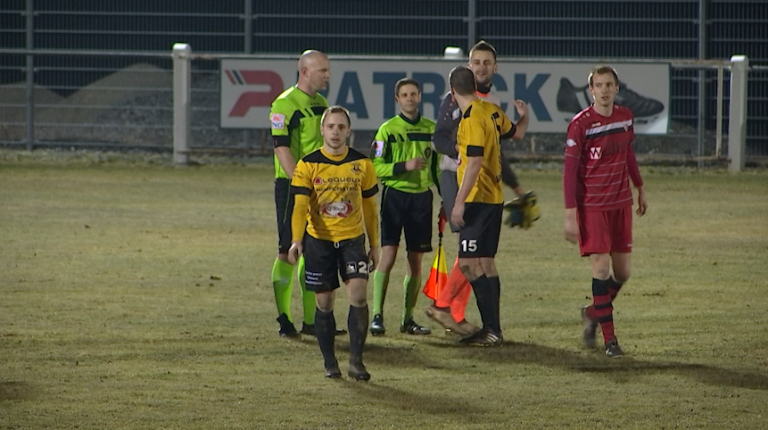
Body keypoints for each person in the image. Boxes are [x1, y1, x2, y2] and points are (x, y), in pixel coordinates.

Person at [427, 41, 530, 336]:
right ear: (473, 71)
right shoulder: (492, 110)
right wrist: (524, 115)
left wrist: (457, 203)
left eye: (487, 62)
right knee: (483, 262)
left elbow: (473, 163)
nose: (482, 67)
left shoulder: (471, 117)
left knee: (470, 262)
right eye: (477, 62)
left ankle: (449, 309)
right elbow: (516, 133)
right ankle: (488, 328)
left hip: (472, 195)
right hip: (493, 197)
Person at [288, 106, 380, 380]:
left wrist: (375, 244)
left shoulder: (362, 164)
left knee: (359, 295)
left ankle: (356, 361)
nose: (336, 132)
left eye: (341, 127)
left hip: (352, 240)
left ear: (349, 131)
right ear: (322, 130)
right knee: (325, 303)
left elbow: (371, 209)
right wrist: (296, 240)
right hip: (320, 242)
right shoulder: (308, 164)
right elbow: (299, 206)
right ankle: (330, 361)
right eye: (331, 127)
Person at [563, 65, 648, 358]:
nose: (604, 89)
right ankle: (610, 341)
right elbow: (570, 171)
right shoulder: (580, 124)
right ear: (591, 90)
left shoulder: (625, 118)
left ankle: (591, 312)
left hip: (620, 204)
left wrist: (639, 186)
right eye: (599, 85)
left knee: (623, 273)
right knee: (601, 269)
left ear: (616, 87)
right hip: (593, 207)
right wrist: (570, 213)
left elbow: (628, 154)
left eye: (609, 84)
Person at [369, 78, 439, 337]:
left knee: (416, 261)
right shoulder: (387, 130)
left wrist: (446, 200)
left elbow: (437, 168)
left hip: (422, 200)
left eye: (413, 94)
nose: (409, 98)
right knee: (388, 256)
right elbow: (375, 166)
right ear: (397, 100)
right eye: (404, 95)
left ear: (420, 97)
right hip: (395, 197)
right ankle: (377, 315)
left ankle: (407, 319)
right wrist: (404, 167)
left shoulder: (432, 130)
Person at [269, 50, 330, 337]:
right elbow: (281, 148)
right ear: (305, 71)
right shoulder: (284, 104)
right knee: (287, 251)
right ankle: (284, 320)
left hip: (319, 188)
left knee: (313, 252)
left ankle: (311, 322)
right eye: (322, 71)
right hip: (293, 188)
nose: (327, 75)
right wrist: (300, 182)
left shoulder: (321, 104)